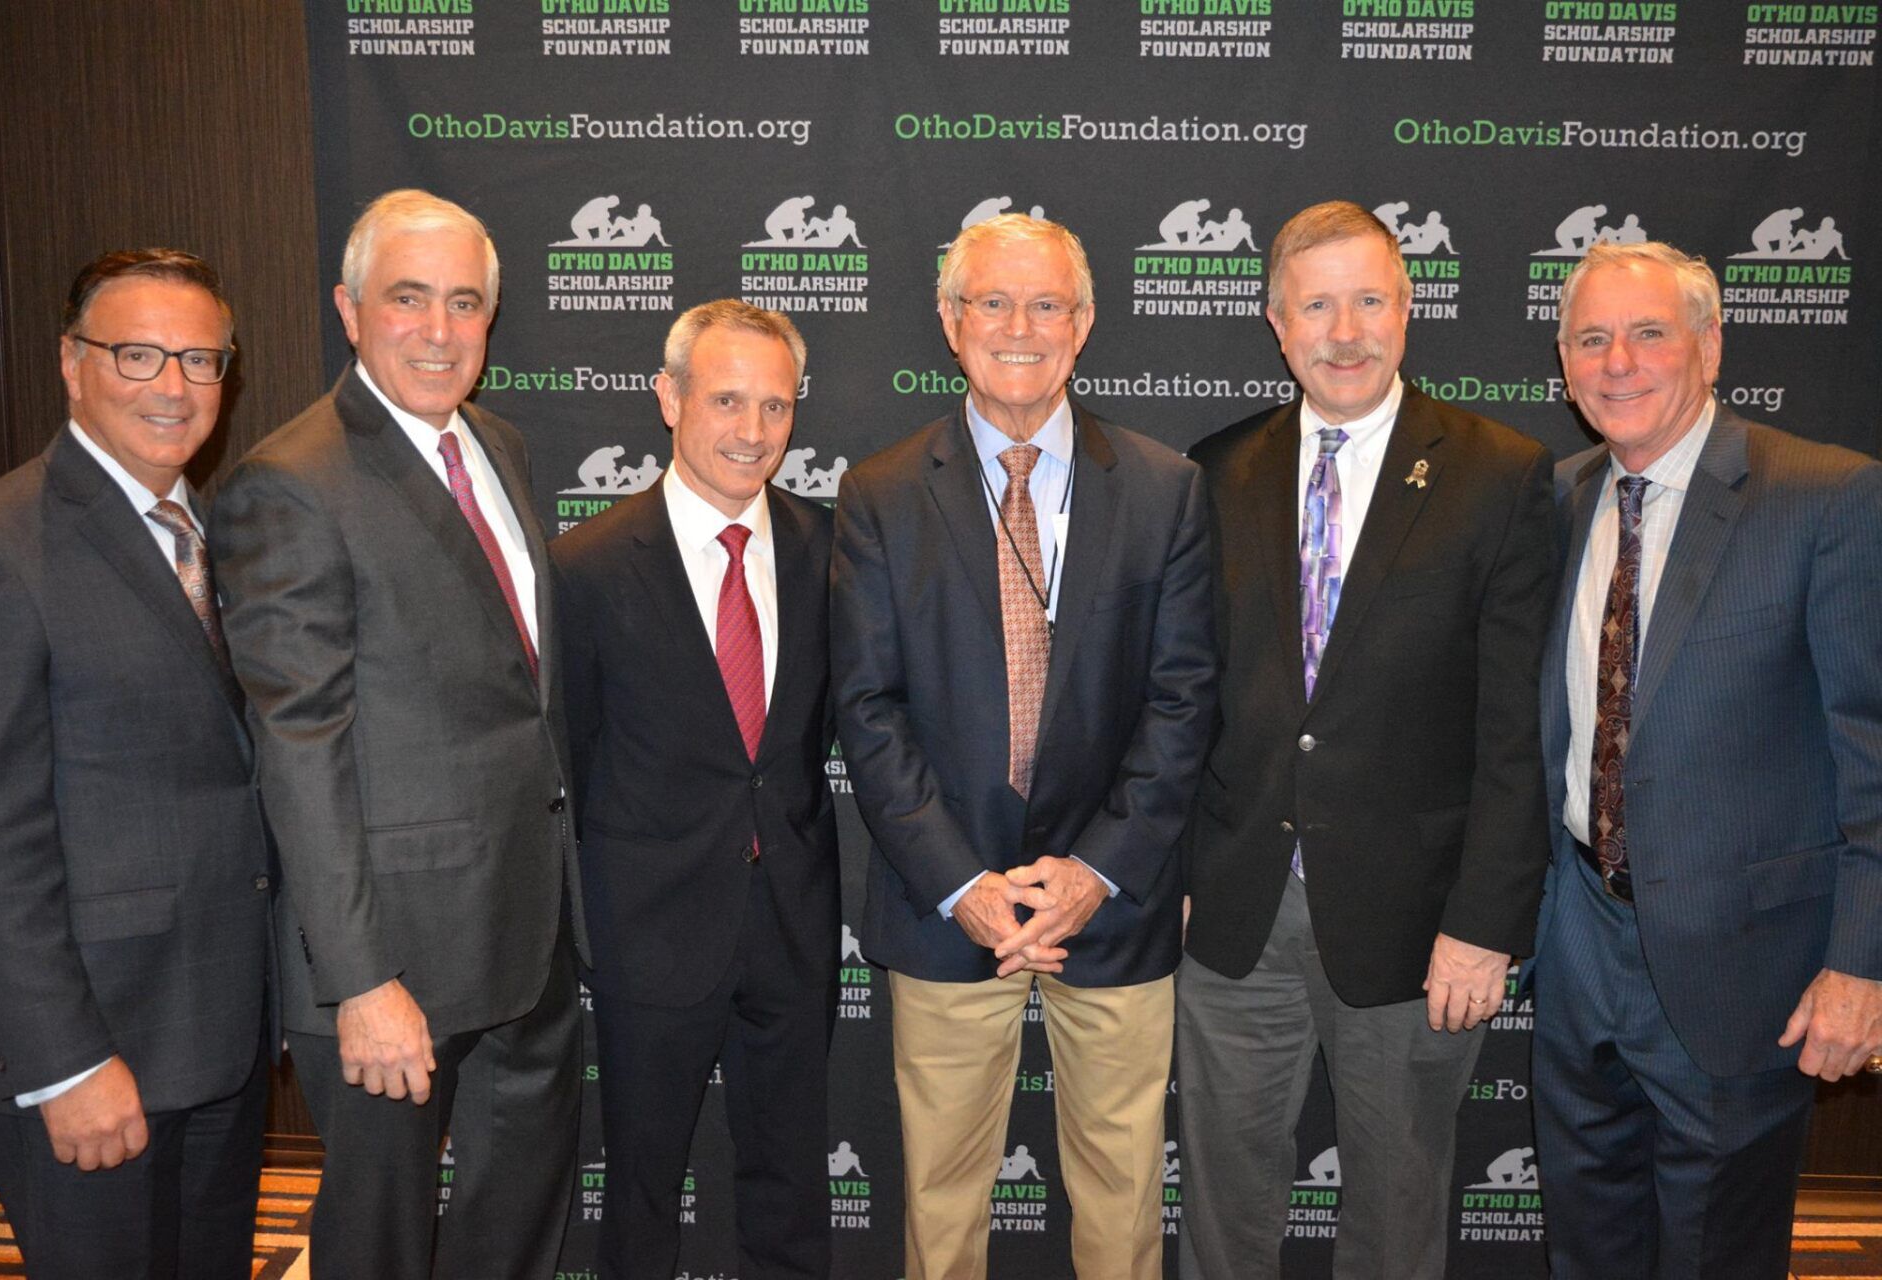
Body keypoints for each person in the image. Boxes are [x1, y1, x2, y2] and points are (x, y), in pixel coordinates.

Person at [831, 213, 1217, 1280]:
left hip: (1115, 903)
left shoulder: (1163, 487)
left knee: (1124, 1200)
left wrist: (1097, 869)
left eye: (1047, 304)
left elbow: (1183, 701)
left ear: (1084, 323)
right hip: (947, 904)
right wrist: (964, 883)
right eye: (992, 302)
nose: (1020, 326)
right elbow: (868, 710)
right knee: (941, 1209)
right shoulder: (879, 493)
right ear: (951, 324)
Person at [1175, 201, 1555, 1280]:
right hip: (1236, 916)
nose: (1346, 330)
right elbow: (1187, 698)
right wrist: (1181, 870)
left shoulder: (1498, 473)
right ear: (1276, 322)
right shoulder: (1215, 469)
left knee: (1393, 1220)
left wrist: (1485, 922)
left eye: (1370, 299)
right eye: (1318, 305)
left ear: (1409, 308)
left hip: (1417, 931)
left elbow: (1515, 730)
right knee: (1221, 1214)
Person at [212, 189, 589, 1278]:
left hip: (525, 933)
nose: (438, 328)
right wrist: (361, 979)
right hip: (393, 968)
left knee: (514, 1227)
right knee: (379, 1247)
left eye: (464, 302)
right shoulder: (292, 482)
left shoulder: (500, 445)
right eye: (408, 298)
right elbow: (300, 746)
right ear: (349, 308)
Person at [1532, 239, 1882, 1278]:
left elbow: (1872, 747)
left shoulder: (1827, 499)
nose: (1619, 362)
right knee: (1587, 1246)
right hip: (1579, 942)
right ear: (1564, 361)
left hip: (1746, 965)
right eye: (1591, 339)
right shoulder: (1554, 499)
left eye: (1648, 333)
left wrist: (1863, 961)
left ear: (1710, 343)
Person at [0, 249, 272, 1278]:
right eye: (138, 355)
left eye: (199, 358)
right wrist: (64, 1064)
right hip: (96, 1056)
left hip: (218, 1034)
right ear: (71, 363)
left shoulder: (215, 534)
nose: (174, 386)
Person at [553, 300, 838, 1279]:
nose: (752, 432)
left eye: (775, 404)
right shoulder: (585, 565)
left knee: (791, 1186)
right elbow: (573, 757)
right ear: (668, 397)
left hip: (794, 925)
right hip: (649, 931)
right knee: (638, 1190)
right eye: (726, 399)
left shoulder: (831, 550)